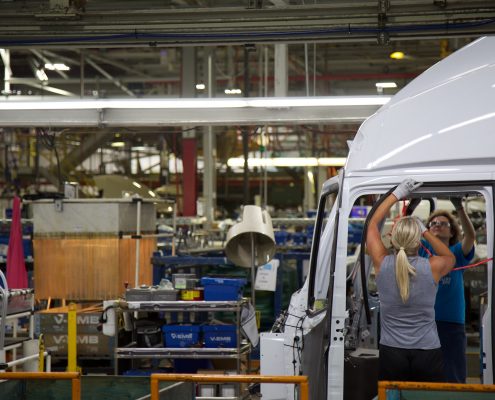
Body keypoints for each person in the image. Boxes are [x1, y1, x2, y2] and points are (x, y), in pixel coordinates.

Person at [367, 178, 456, 382]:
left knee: (393, 395)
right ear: (418, 241)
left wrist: (396, 194)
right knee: (427, 396)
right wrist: (424, 230)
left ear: (393, 238)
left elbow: (371, 225)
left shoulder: (382, 263)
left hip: (392, 351)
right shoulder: (432, 267)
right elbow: (450, 257)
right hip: (427, 351)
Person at [419, 199, 476, 383]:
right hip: (424, 322)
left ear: (452, 232)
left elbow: (470, 236)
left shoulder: (456, 253)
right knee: (425, 374)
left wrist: (459, 207)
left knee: (453, 375)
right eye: (433, 223)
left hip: (451, 323)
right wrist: (410, 209)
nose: (438, 225)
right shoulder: (422, 251)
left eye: (444, 224)